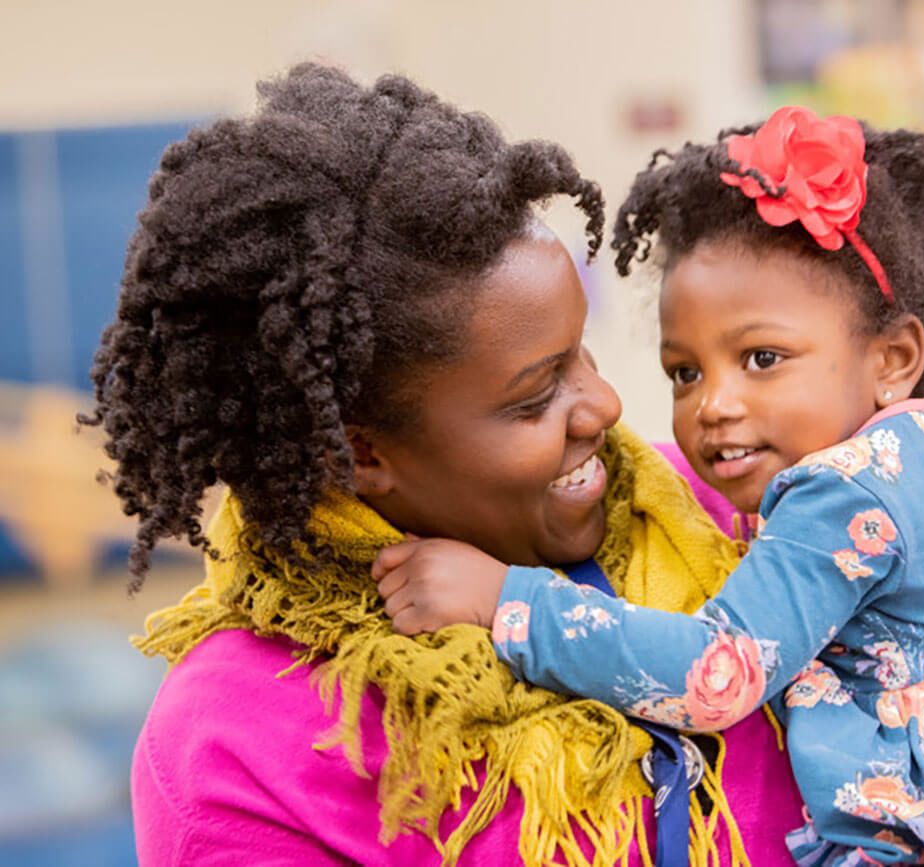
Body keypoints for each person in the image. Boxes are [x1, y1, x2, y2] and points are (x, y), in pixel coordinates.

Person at [375, 107, 924, 864]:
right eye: (684, 372)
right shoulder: (909, 454)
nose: (713, 404)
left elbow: (714, 675)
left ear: (891, 360)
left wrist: (506, 599)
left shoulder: (847, 492)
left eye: (761, 359)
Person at [84, 64, 806, 865]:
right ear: (360, 453)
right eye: (536, 397)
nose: (603, 405)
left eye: (581, 353)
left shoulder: (731, 513)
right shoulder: (237, 750)